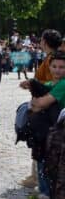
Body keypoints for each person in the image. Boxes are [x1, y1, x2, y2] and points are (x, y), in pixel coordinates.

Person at [19, 29, 62, 189]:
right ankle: (38, 179)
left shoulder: (52, 60)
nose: (57, 69)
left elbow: (49, 86)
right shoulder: (52, 58)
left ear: (44, 41)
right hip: (45, 107)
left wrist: (35, 90)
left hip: (47, 110)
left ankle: (42, 185)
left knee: (43, 147)